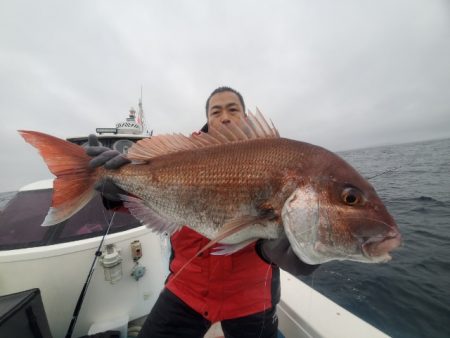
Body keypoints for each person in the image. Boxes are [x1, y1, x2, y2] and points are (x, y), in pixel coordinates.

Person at [86, 87, 319, 338]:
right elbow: (148, 194)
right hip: (186, 286)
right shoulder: (184, 154)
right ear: (208, 119)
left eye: (233, 109)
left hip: (251, 295)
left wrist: (304, 250)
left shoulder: (272, 156)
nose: (225, 116)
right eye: (215, 111)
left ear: (246, 117)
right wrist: (115, 190)